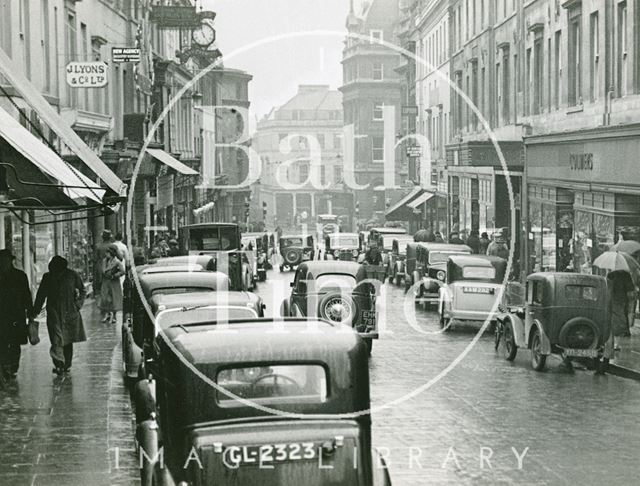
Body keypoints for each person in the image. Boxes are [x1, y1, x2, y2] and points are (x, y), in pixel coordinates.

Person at [32, 256, 86, 375]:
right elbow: (41, 295)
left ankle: (66, 364)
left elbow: (82, 290)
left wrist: (78, 305)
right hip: (54, 312)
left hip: (70, 312)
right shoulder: (48, 277)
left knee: (67, 339)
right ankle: (59, 363)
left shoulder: (72, 275)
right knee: (56, 338)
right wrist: (35, 311)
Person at [0, 249, 34, 384]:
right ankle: (5, 367)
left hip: (16, 314)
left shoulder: (20, 276)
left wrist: (30, 312)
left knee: (14, 342)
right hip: (2, 315)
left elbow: (26, 295)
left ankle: (13, 366)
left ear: (11, 261)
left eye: (5, 260)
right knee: (2, 341)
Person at [100, 244, 125, 324]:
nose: (106, 254)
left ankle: (113, 316)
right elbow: (103, 270)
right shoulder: (104, 261)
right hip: (106, 281)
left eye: (107, 253)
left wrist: (115, 275)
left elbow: (123, 271)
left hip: (113, 282)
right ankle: (107, 314)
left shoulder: (117, 262)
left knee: (113, 298)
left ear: (111, 253)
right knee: (105, 298)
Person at [608, 270, 636, 337]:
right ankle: (623, 331)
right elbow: (630, 288)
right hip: (623, 299)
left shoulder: (610, 275)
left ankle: (618, 331)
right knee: (623, 315)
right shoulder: (626, 274)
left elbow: (608, 286)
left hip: (614, 299)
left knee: (616, 315)